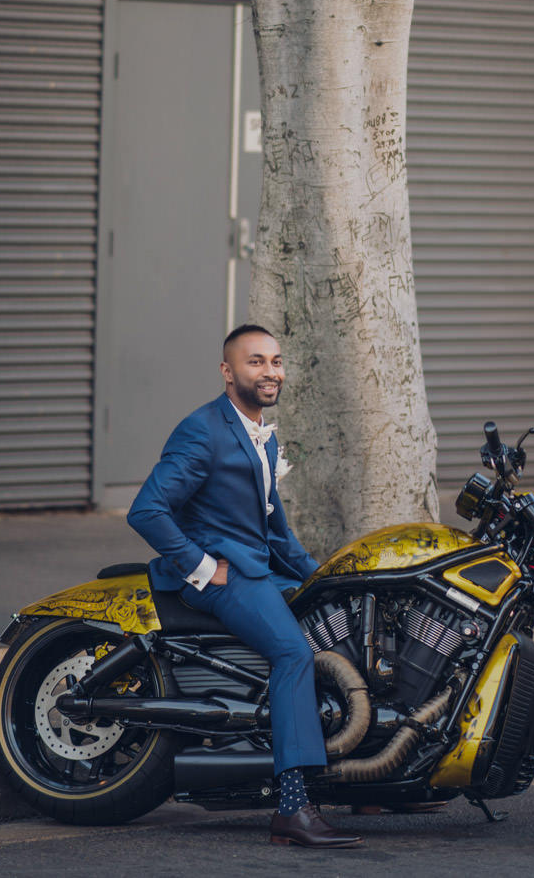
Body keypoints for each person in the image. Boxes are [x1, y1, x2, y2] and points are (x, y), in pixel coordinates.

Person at [127, 324, 362, 849]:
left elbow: (276, 532)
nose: (270, 371)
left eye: (276, 361)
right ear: (227, 372)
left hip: (257, 566)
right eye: (255, 362)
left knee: (343, 622)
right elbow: (147, 510)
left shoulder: (263, 434)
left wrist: (326, 578)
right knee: (293, 654)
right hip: (225, 576)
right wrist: (203, 567)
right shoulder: (203, 430)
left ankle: (365, 781)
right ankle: (293, 808)